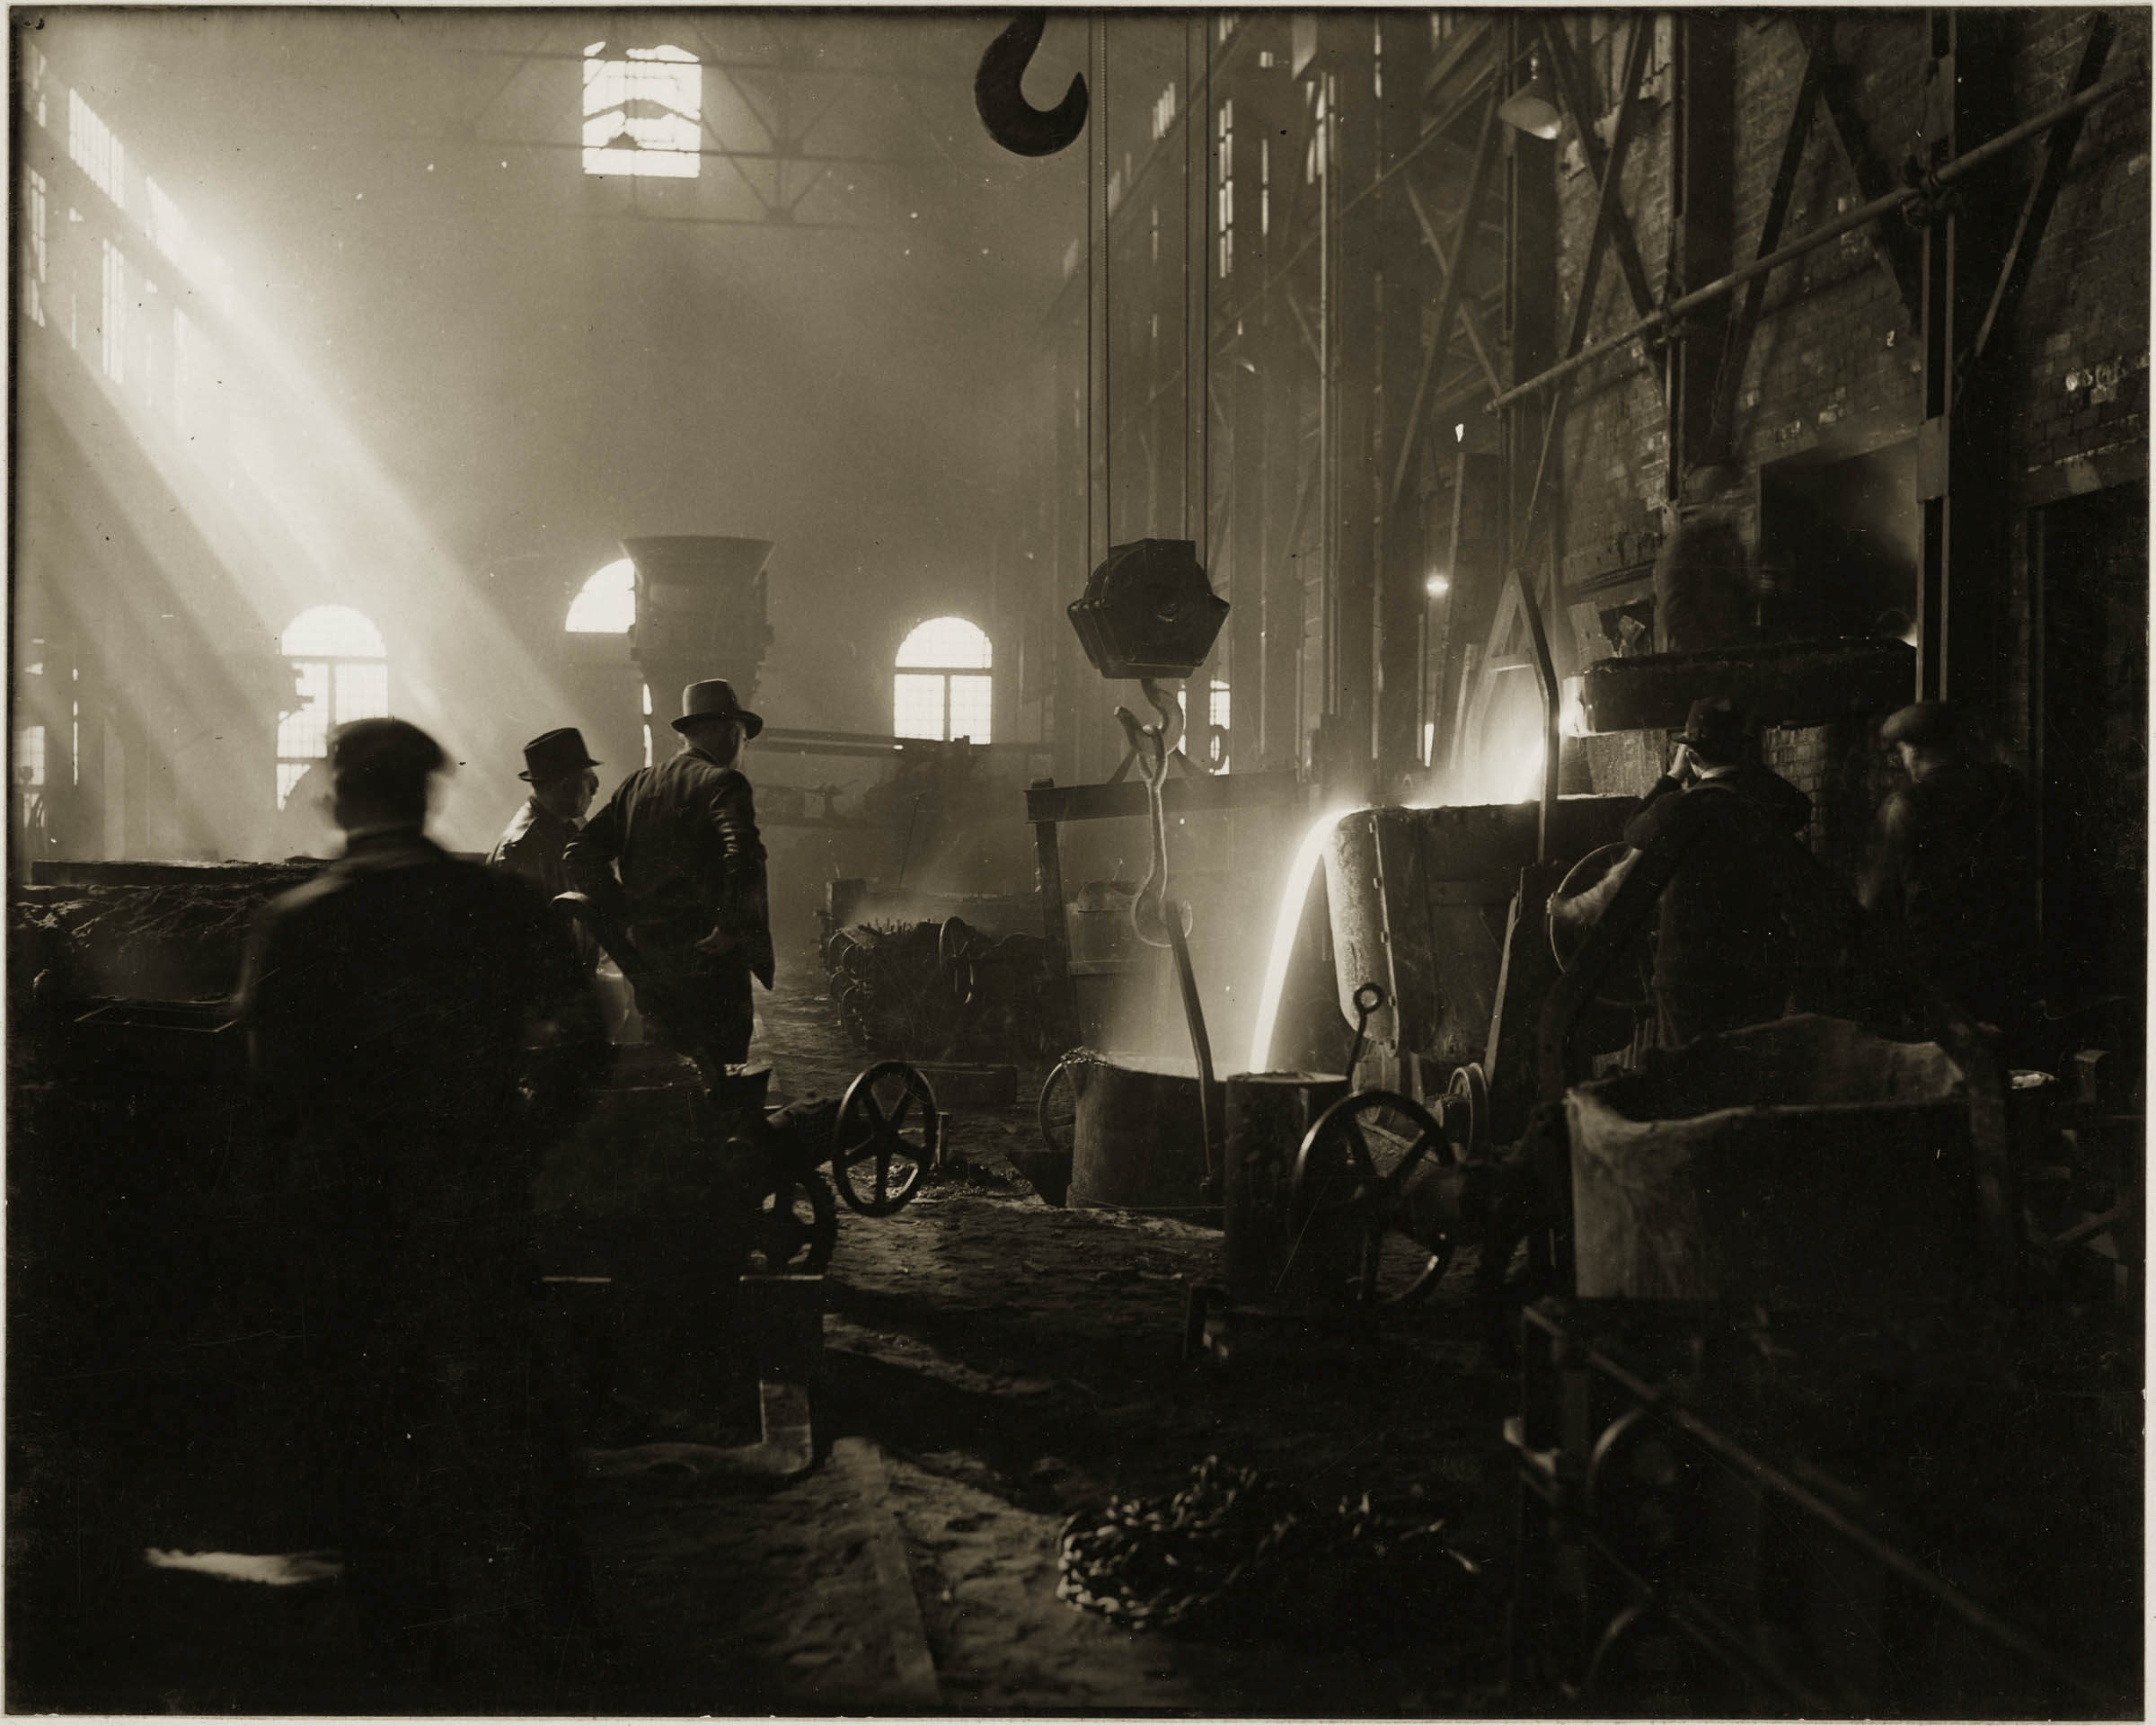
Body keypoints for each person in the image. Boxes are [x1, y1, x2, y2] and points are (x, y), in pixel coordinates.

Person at [235, 717, 608, 1691]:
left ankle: (406, 1656)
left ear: (340, 799)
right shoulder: (494, 904)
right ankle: (556, 1644)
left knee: (373, 1439)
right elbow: (585, 1039)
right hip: (474, 1205)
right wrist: (520, 1140)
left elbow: (268, 1102)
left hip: (352, 1230)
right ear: (427, 794)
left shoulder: (299, 922)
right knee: (513, 1423)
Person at [1555, 697, 1817, 1046]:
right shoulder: (1768, 802)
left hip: (1690, 977)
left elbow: (1632, 829)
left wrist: (1672, 777)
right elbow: (1799, 806)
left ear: (1691, 756)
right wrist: (1742, 769)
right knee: (1750, 1061)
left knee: (1688, 1070)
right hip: (1759, 970)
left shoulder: (1678, 807)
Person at [564, 678, 773, 1084]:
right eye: (742, 737)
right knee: (721, 1076)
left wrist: (625, 915)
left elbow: (579, 852)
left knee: (669, 1071)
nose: (742, 747)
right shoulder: (723, 782)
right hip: (710, 964)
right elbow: (743, 852)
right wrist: (730, 924)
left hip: (650, 963)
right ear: (728, 732)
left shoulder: (636, 785)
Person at [1860, 700, 2037, 1039]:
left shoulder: (1907, 806)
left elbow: (1878, 901)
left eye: (1903, 751)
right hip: (2012, 960)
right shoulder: (2006, 785)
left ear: (1913, 750)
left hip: (1941, 975)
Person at [488, 726, 601, 900]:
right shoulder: (522, 848)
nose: (594, 789)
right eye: (587, 779)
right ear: (563, 786)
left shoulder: (566, 824)